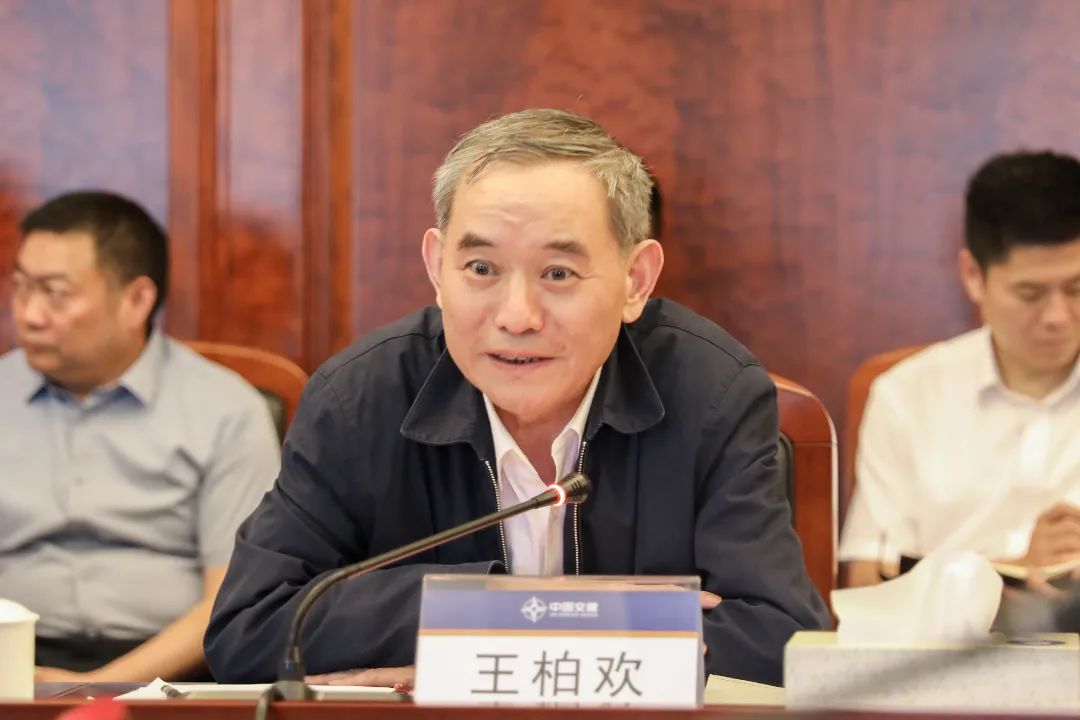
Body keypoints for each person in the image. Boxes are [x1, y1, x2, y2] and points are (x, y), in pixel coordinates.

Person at [205, 108, 829, 687]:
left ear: (635, 281)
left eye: (558, 273)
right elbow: (250, 629)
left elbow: (779, 639)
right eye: (481, 269)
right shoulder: (359, 399)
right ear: (437, 268)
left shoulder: (713, 393)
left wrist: (485, 647)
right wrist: (517, 609)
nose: (517, 316)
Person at [0, 191, 281, 681]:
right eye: (21, 287)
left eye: (55, 292)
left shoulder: (227, 412)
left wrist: (97, 689)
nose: (29, 314)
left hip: (171, 677)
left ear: (136, 301)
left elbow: (234, 599)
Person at [840, 150, 1080, 590]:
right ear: (973, 275)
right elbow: (867, 584)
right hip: (954, 636)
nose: (1057, 317)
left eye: (1077, 288)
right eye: (1030, 294)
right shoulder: (907, 395)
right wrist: (1018, 570)